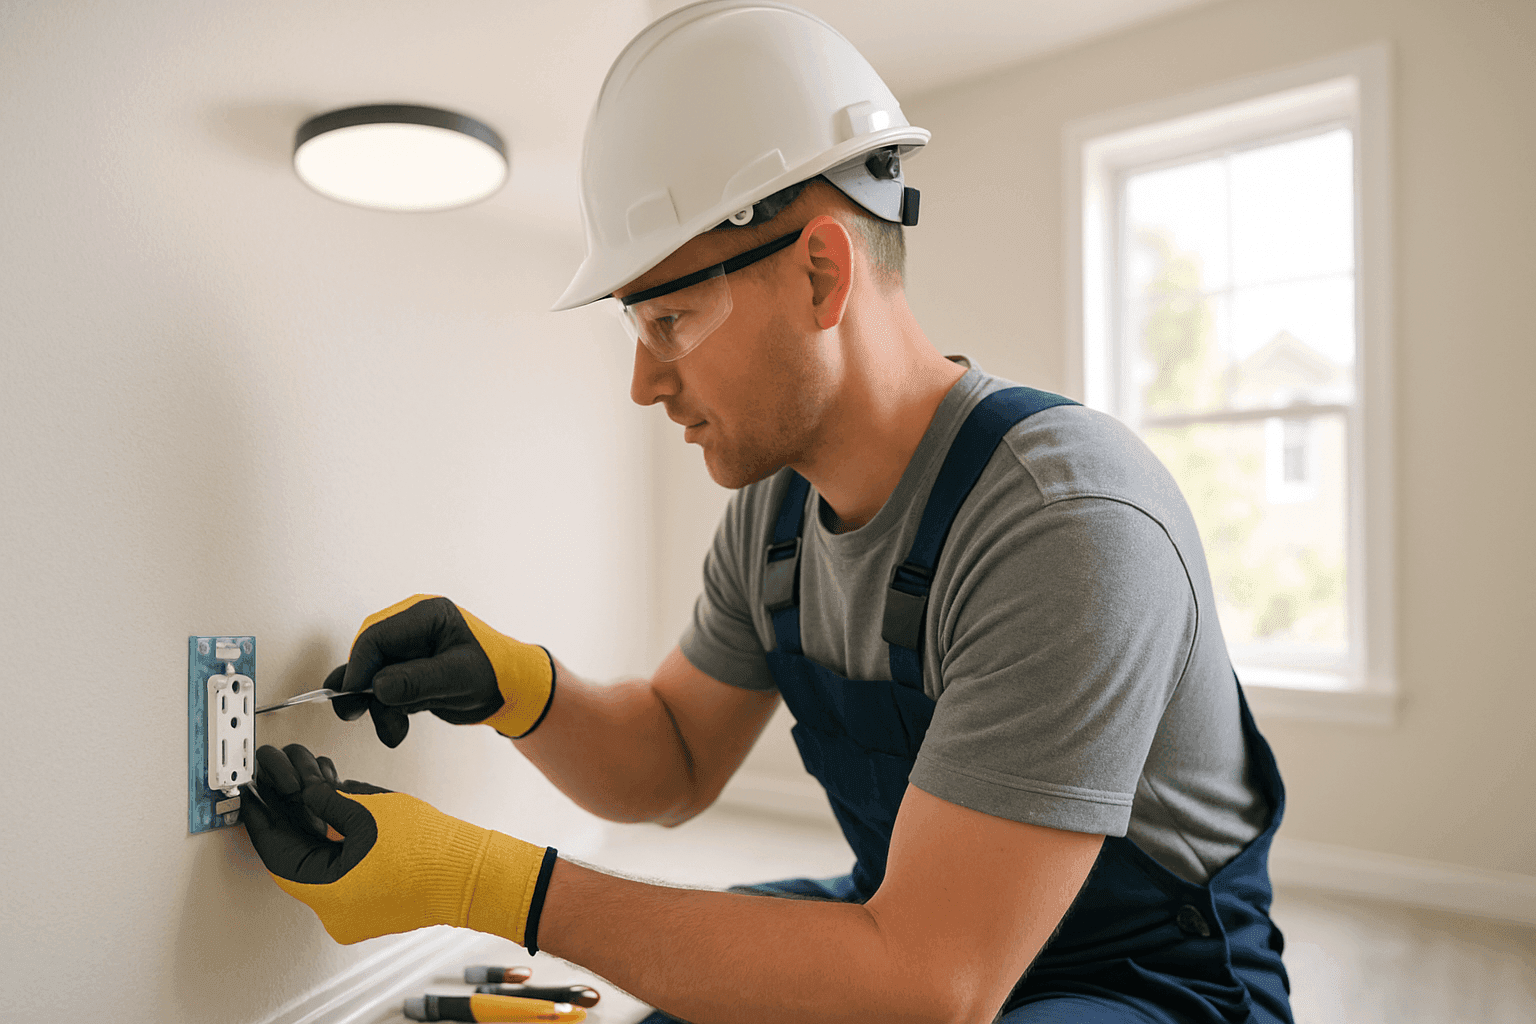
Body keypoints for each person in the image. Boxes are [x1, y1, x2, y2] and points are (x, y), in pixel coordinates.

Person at [239, 3, 1294, 1021]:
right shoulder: (777, 517)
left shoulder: (1064, 522)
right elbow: (673, 761)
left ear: (821, 273)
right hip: (923, 931)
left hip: (1146, 987)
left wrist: (486, 883)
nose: (645, 384)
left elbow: (932, 986)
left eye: (670, 318)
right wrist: (519, 685)